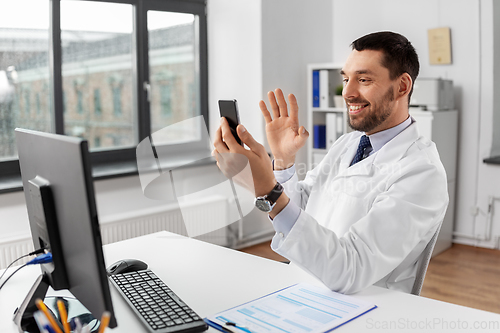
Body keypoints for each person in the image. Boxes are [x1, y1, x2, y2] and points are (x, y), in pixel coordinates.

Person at [213, 31, 448, 294]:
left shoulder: (422, 172)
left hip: (362, 313)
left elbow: (352, 270)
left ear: (402, 86)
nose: (347, 93)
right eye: (346, 79)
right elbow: (301, 211)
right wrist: (282, 161)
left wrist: (266, 190)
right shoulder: (347, 145)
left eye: (363, 79)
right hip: (303, 289)